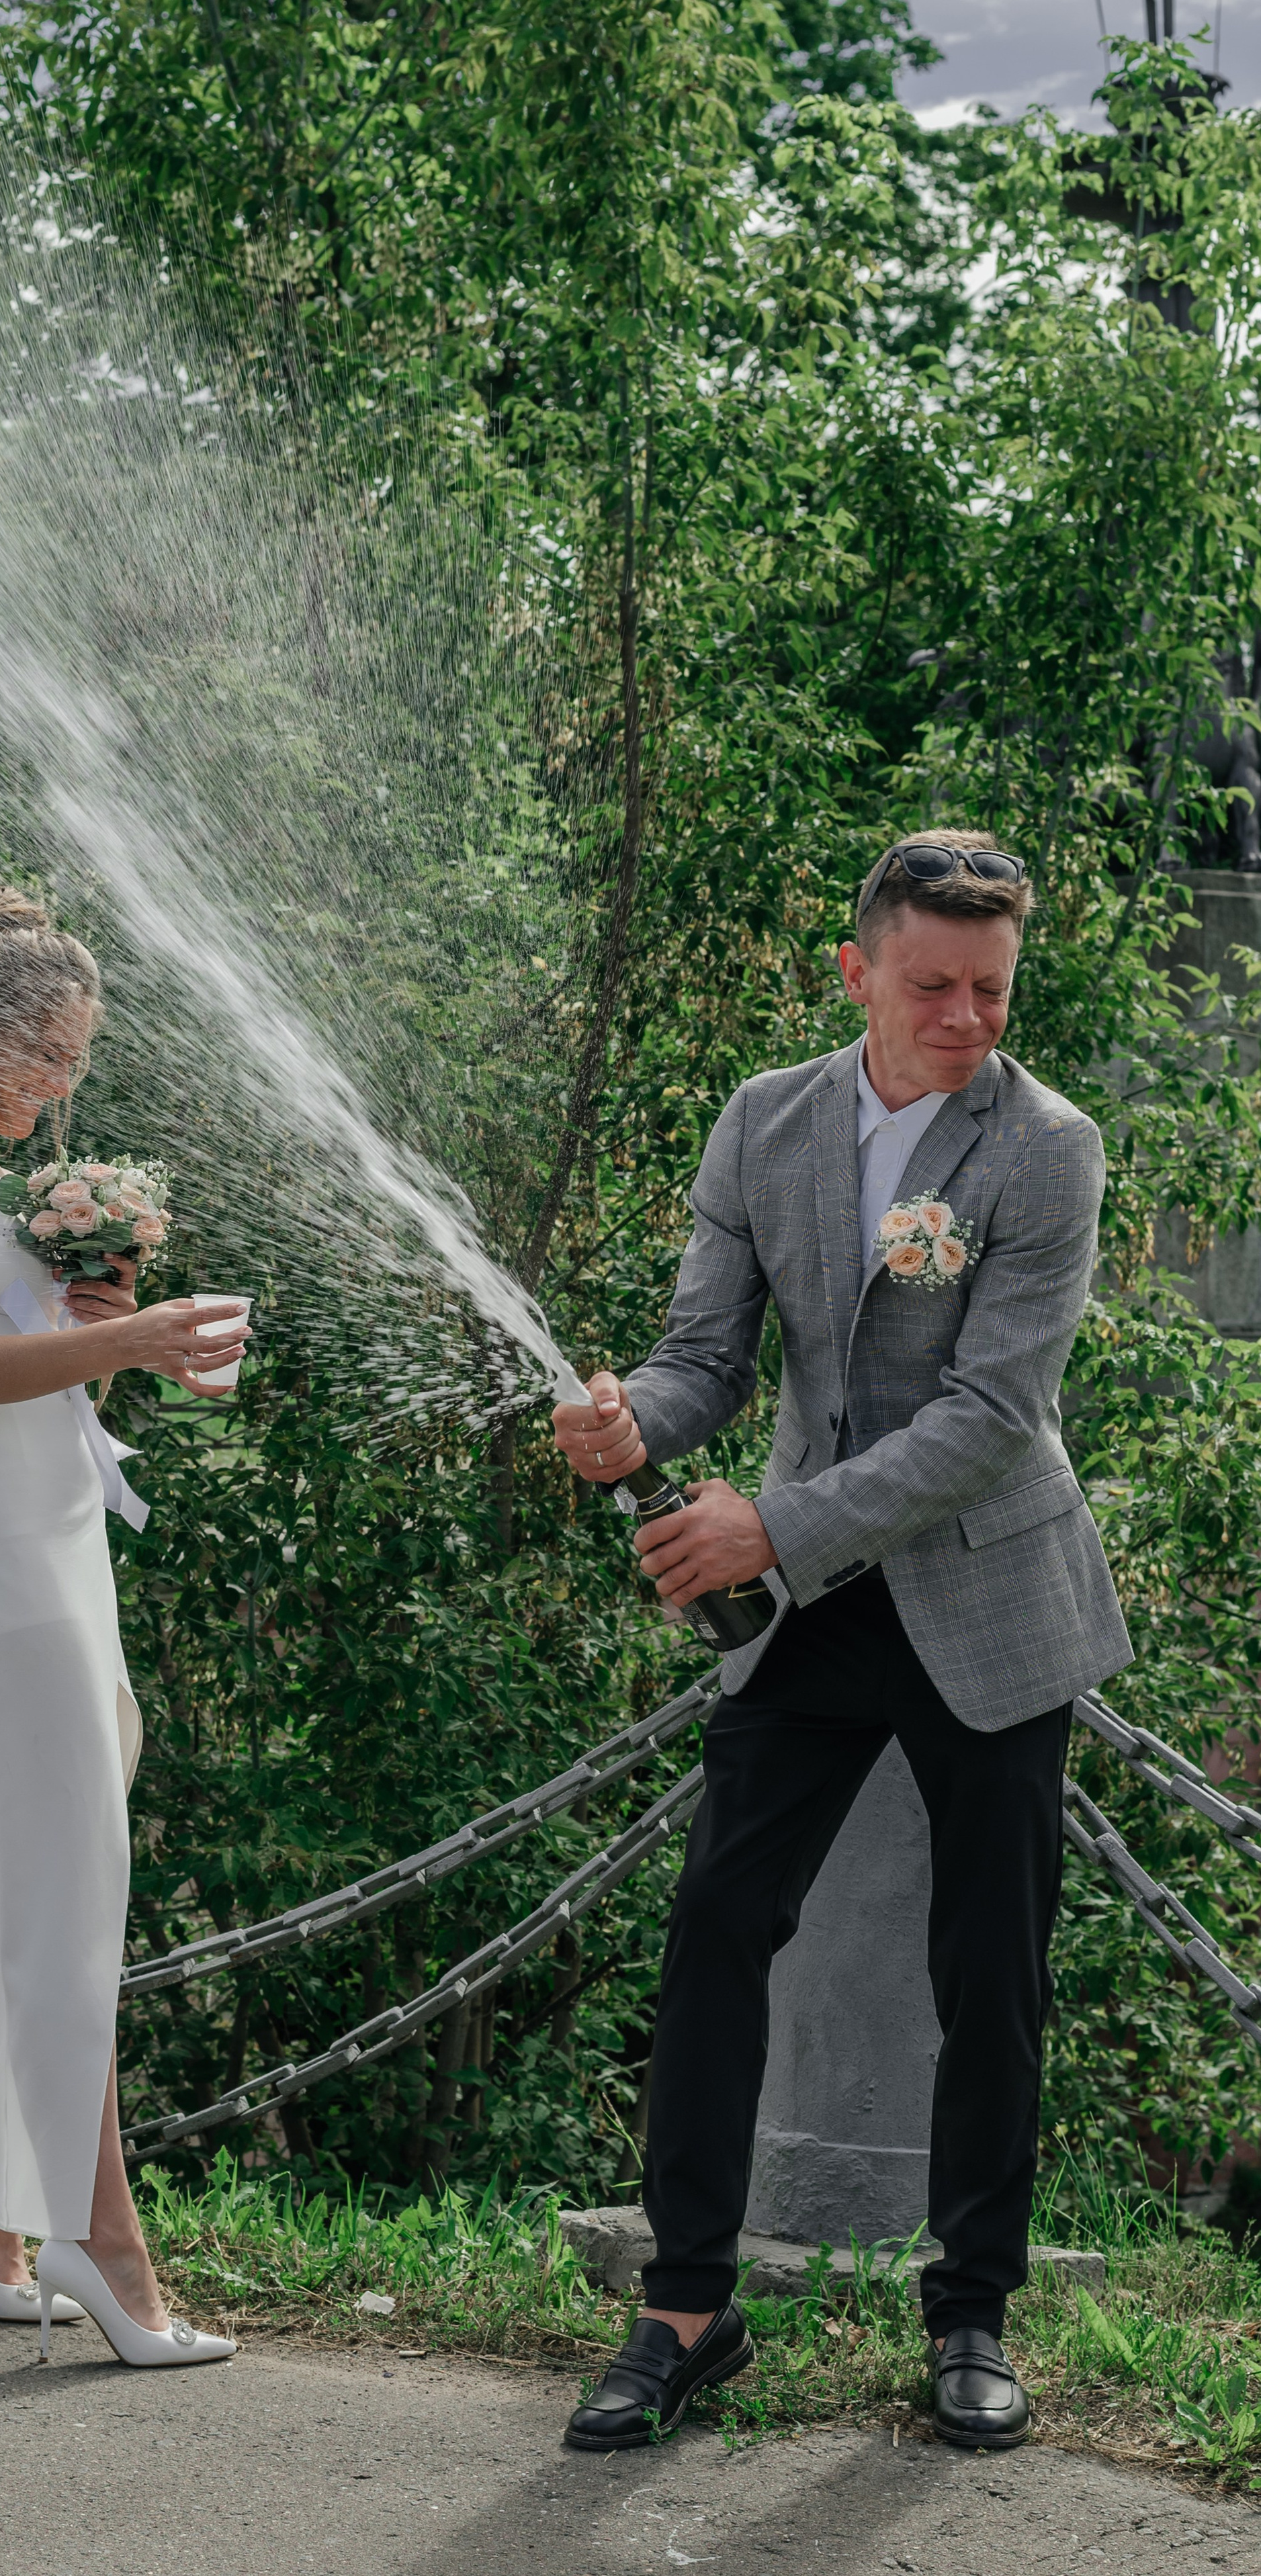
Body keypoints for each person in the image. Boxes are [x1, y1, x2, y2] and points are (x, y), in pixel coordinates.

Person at [552, 834, 1131, 2453]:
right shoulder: (767, 1118)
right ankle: (682, 2309)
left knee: (988, 1970)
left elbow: (990, 1416)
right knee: (717, 1927)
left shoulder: (1047, 1146)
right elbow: (697, 1359)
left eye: (992, 990)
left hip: (989, 1605)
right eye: (934, 984)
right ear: (856, 970)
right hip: (811, 1613)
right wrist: (623, 1428)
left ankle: (968, 2313)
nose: (966, 1019)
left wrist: (771, 1527)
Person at [0, 885, 251, 2365]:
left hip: (57, 1534)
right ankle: (101, 2236)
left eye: (77, 1062)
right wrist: (126, 1334)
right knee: (69, 1875)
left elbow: (28, 1358)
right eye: (47, 1056)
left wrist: (139, 1345)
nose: (61, 1090)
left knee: (32, 1868)